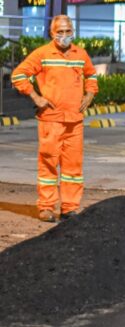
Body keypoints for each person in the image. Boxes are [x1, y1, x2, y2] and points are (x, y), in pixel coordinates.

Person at [11, 15, 98, 222]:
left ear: (73, 32)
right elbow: (18, 75)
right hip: (51, 119)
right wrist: (35, 97)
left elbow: (91, 75)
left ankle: (69, 208)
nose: (64, 35)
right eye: (60, 32)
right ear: (52, 33)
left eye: (68, 31)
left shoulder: (80, 54)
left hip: (75, 121)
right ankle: (47, 207)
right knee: (48, 164)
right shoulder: (43, 54)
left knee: (73, 167)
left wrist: (90, 94)